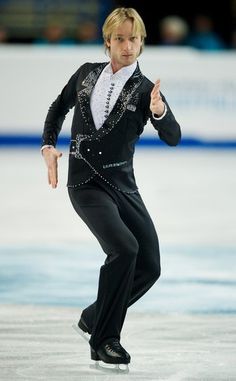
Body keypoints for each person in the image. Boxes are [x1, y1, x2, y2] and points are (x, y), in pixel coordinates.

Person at [41, 7, 181, 370]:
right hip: (85, 184)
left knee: (149, 264)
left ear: (142, 42)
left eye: (134, 39)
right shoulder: (86, 75)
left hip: (123, 187)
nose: (127, 46)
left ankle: (93, 317)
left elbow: (173, 137)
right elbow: (57, 109)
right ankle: (104, 339)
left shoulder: (147, 89)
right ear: (108, 41)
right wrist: (48, 146)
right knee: (124, 249)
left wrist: (160, 111)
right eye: (120, 38)